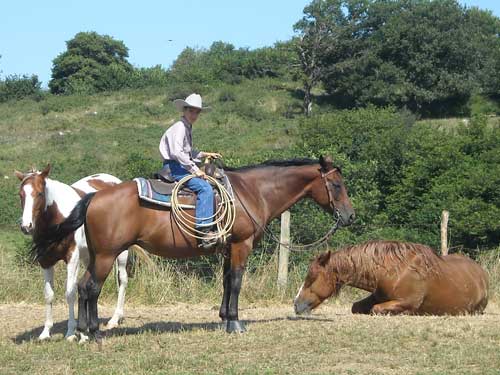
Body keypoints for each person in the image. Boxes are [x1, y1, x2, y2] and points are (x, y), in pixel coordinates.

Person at [159, 93, 221, 249]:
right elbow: (177, 153)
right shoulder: (179, 128)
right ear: (184, 110)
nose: (194, 115)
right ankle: (204, 229)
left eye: (197, 112)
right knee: (205, 187)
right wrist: (195, 170)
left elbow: (187, 151)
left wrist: (203, 154)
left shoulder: (186, 127)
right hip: (175, 167)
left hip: (179, 164)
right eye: (191, 111)